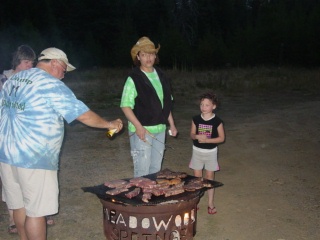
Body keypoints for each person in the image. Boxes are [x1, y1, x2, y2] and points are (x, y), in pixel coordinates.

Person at [0, 47, 123, 240]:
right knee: (36, 212)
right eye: (64, 70)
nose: (64, 76)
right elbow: (82, 115)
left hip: (6, 155)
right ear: (55, 62)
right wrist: (109, 124)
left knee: (19, 205)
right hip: (34, 158)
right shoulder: (49, 84)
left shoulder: (12, 80)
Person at [120, 36, 178, 178]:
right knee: (142, 170)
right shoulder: (134, 78)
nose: (148, 58)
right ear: (138, 57)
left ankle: (150, 198)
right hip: (142, 131)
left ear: (155, 56)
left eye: (151, 54)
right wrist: (138, 127)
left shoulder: (162, 76)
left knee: (155, 169)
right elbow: (125, 106)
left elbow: (166, 104)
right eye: (144, 54)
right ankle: (140, 198)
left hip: (160, 130)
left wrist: (172, 124)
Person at [0, 45, 36, 234]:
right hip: (6, 136)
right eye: (26, 62)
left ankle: (36, 215)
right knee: (10, 180)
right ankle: (14, 219)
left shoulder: (30, 80)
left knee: (30, 177)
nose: (30, 66)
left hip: (27, 136)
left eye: (32, 62)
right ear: (17, 62)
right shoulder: (4, 80)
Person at [189, 92, 225, 215]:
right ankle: (196, 202)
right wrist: (195, 136)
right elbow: (192, 134)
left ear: (213, 106)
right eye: (202, 104)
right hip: (197, 152)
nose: (203, 107)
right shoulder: (196, 119)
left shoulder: (217, 121)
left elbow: (221, 138)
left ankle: (210, 203)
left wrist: (207, 140)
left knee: (210, 178)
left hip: (211, 153)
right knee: (197, 179)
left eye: (207, 105)